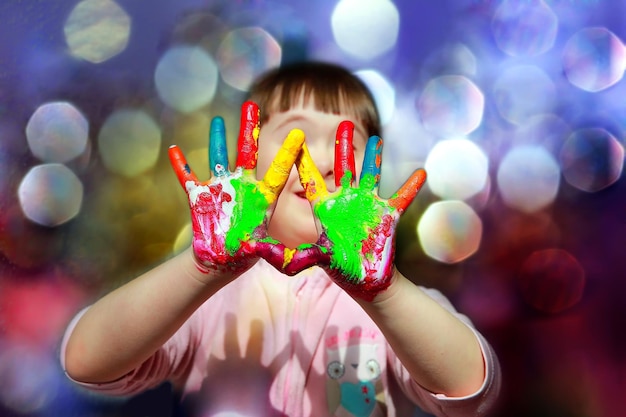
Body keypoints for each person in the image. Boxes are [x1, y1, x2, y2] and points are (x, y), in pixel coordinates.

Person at [60, 62, 501, 417]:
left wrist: (385, 293)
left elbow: (471, 393)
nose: (326, 161)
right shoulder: (207, 298)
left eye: (348, 143)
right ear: (248, 154)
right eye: (299, 136)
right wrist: (199, 269)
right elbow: (86, 363)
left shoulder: (392, 309)